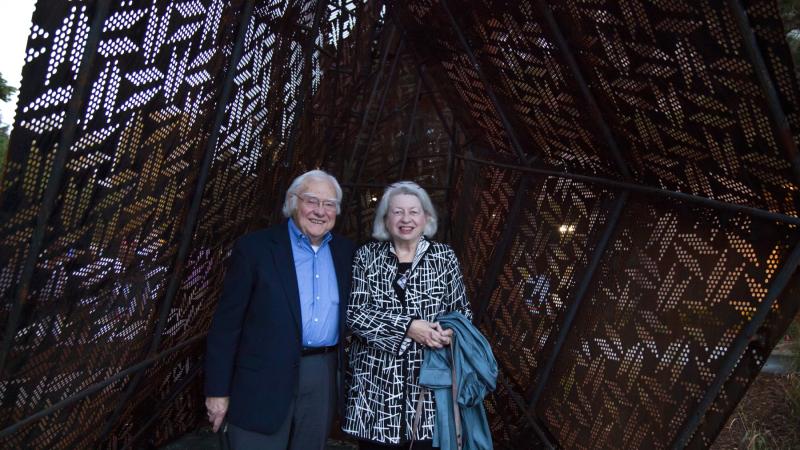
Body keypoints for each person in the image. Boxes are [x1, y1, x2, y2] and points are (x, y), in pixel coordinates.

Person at [205, 170, 356, 450]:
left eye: (329, 204)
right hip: (261, 379)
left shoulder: (347, 253)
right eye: (312, 201)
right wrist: (217, 391)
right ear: (292, 201)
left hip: (321, 374)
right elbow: (227, 325)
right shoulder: (255, 248)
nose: (320, 212)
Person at [342, 181, 472, 450]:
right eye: (397, 212)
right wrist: (408, 327)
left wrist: (448, 334)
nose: (406, 219)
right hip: (375, 395)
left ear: (426, 218)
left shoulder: (444, 258)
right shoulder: (366, 257)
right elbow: (356, 315)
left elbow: (462, 315)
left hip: (428, 391)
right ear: (386, 220)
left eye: (414, 212)